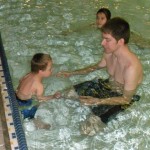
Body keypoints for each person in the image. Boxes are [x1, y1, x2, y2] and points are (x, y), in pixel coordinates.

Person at [57, 17, 143, 135]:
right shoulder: (109, 52)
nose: (102, 43)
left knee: (86, 131)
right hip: (105, 86)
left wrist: (98, 101)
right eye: (103, 38)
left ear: (121, 42)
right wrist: (71, 73)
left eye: (107, 40)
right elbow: (95, 67)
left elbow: (126, 99)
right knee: (64, 95)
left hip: (119, 98)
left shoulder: (131, 68)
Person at [16, 53, 61, 128]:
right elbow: (40, 98)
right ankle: (39, 124)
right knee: (36, 116)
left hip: (16, 97)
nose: (51, 70)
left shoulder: (29, 74)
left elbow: (21, 81)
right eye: (49, 69)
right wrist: (53, 96)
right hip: (25, 106)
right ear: (41, 71)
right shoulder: (39, 85)